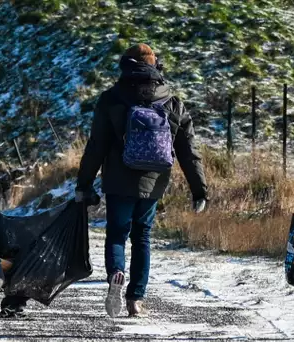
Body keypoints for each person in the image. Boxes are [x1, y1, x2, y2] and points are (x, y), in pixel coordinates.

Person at [75, 43, 208, 318]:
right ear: (155, 65)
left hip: (118, 180)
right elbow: (189, 152)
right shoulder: (172, 101)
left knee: (117, 233)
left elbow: (96, 146)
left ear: (127, 64)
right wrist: (199, 190)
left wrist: (84, 184)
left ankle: (116, 273)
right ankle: (136, 299)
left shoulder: (111, 99)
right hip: (154, 180)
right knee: (142, 237)